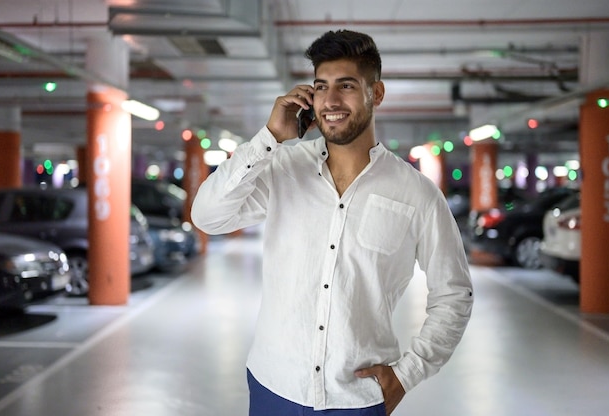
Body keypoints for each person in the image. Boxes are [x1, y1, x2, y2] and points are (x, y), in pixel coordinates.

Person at [191, 29, 473, 416]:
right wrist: (270, 136)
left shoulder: (417, 194)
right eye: (321, 87)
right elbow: (207, 216)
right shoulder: (282, 168)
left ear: (376, 93)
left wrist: (407, 374)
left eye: (347, 86)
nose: (331, 100)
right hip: (275, 385)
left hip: (356, 400)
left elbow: (454, 294)